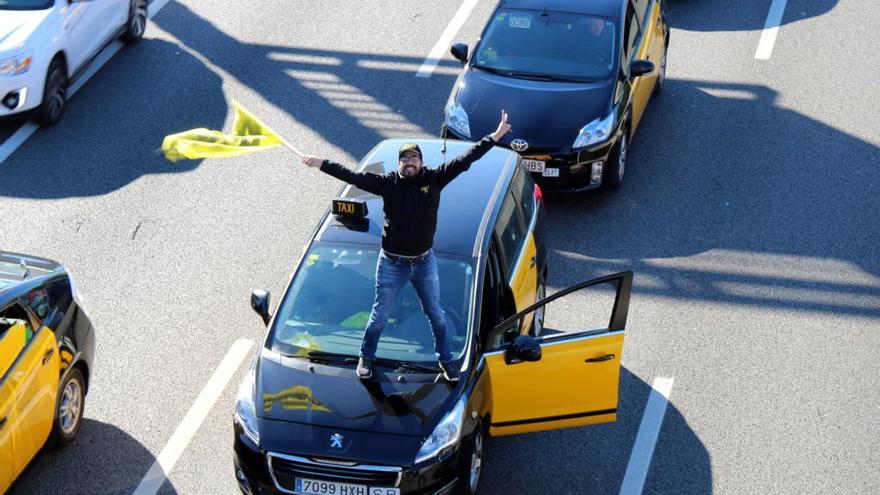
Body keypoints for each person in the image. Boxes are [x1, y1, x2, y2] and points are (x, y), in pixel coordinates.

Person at [302, 111, 512, 381]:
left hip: (424, 262)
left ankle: (446, 361)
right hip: (392, 263)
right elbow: (353, 176)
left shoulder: (435, 179)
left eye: (413, 159)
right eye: (404, 160)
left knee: (436, 314)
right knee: (379, 315)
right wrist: (321, 163)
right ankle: (366, 357)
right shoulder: (387, 184)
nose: (409, 163)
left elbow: (467, 158)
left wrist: (495, 136)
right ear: (398, 164)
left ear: (421, 163)